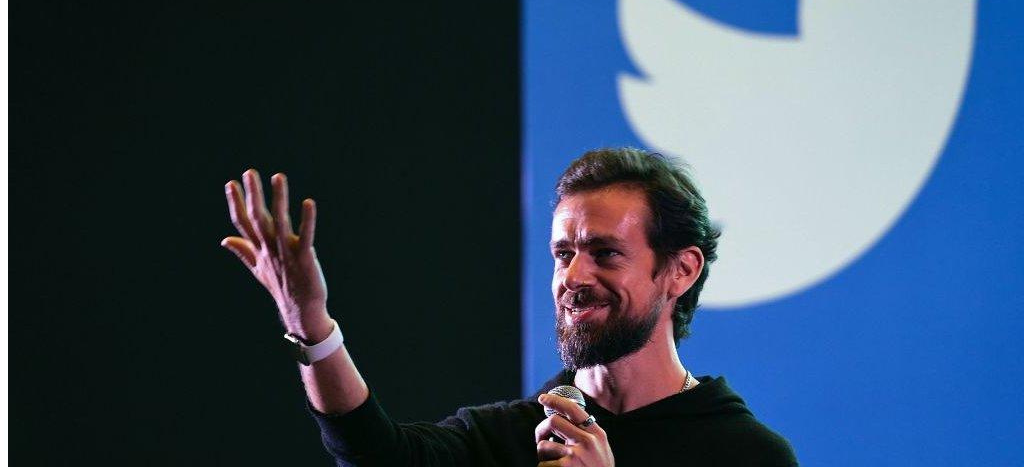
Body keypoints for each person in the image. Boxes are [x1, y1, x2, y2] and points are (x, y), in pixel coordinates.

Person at [222, 147, 798, 466]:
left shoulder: (747, 455)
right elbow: (374, 458)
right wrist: (310, 325)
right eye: (563, 253)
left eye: (605, 253)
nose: (574, 276)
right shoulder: (513, 438)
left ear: (681, 269)